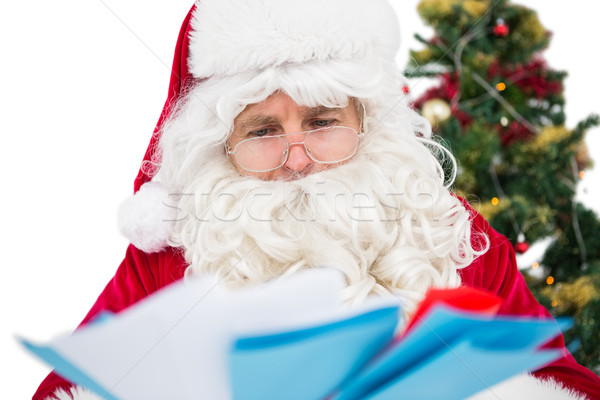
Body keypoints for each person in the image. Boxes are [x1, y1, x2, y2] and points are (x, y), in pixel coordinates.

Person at [33, 0, 600, 399]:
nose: (297, 157)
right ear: (221, 144)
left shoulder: (452, 237)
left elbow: (562, 383)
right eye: (262, 131)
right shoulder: (171, 251)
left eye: (322, 121)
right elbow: (68, 388)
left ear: (367, 121)